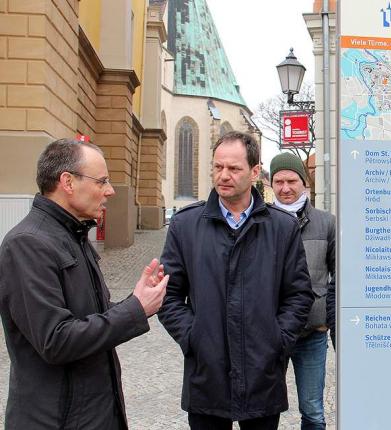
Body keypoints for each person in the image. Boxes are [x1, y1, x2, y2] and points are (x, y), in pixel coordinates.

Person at [0, 138, 168, 429]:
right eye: (101, 181)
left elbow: (93, 316)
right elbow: (56, 340)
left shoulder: (73, 235)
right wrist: (135, 310)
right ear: (67, 182)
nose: (110, 191)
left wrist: (137, 300)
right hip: (57, 421)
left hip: (94, 413)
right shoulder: (28, 244)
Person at [158, 131, 314, 429]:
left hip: (262, 373)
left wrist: (276, 340)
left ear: (255, 172)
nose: (224, 175)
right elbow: (169, 294)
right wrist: (193, 336)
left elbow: (299, 294)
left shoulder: (281, 228)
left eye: (234, 168)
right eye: (218, 167)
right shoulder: (185, 225)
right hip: (207, 373)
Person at [270, 152, 335, 430]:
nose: (285, 188)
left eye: (291, 180)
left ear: (304, 182)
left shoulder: (326, 222)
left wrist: (328, 319)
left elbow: (339, 276)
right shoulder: (261, 221)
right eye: (278, 181)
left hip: (312, 332)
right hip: (269, 333)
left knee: (312, 410)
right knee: (263, 409)